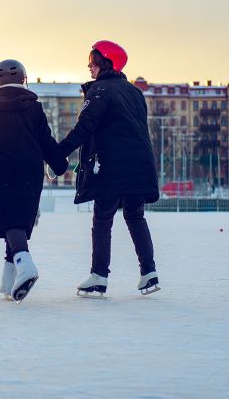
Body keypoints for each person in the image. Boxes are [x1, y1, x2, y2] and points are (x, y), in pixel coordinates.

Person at [58, 41, 160, 297]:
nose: (89, 67)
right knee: (136, 217)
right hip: (141, 164)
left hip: (113, 165)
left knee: (102, 220)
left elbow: (85, 127)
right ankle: (149, 273)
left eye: (93, 61)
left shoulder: (100, 90)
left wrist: (58, 152)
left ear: (106, 63)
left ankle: (99, 276)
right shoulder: (134, 92)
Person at [0, 59, 67, 303]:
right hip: (30, 169)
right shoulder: (33, 105)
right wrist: (59, 164)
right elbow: (46, 140)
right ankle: (8, 282)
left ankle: (24, 265)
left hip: (4, 168)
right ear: (23, 79)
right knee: (18, 219)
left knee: (9, 219)